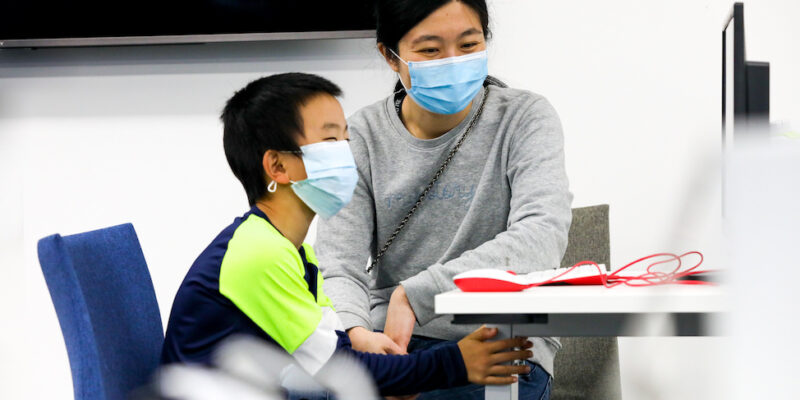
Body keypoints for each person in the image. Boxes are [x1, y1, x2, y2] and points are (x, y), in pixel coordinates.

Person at [160, 72, 534, 397]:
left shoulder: (293, 252)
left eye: (346, 140)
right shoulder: (259, 254)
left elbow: (335, 351)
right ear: (277, 166)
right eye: (329, 142)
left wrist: (377, 357)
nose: (347, 156)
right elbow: (340, 369)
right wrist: (455, 362)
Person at [315, 1, 573, 399]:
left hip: (497, 343)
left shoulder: (524, 117)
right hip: (390, 342)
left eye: (468, 45)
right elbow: (338, 264)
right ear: (390, 56)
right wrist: (356, 332)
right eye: (431, 51)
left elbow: (541, 237)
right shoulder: (361, 136)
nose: (452, 61)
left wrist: (415, 294)